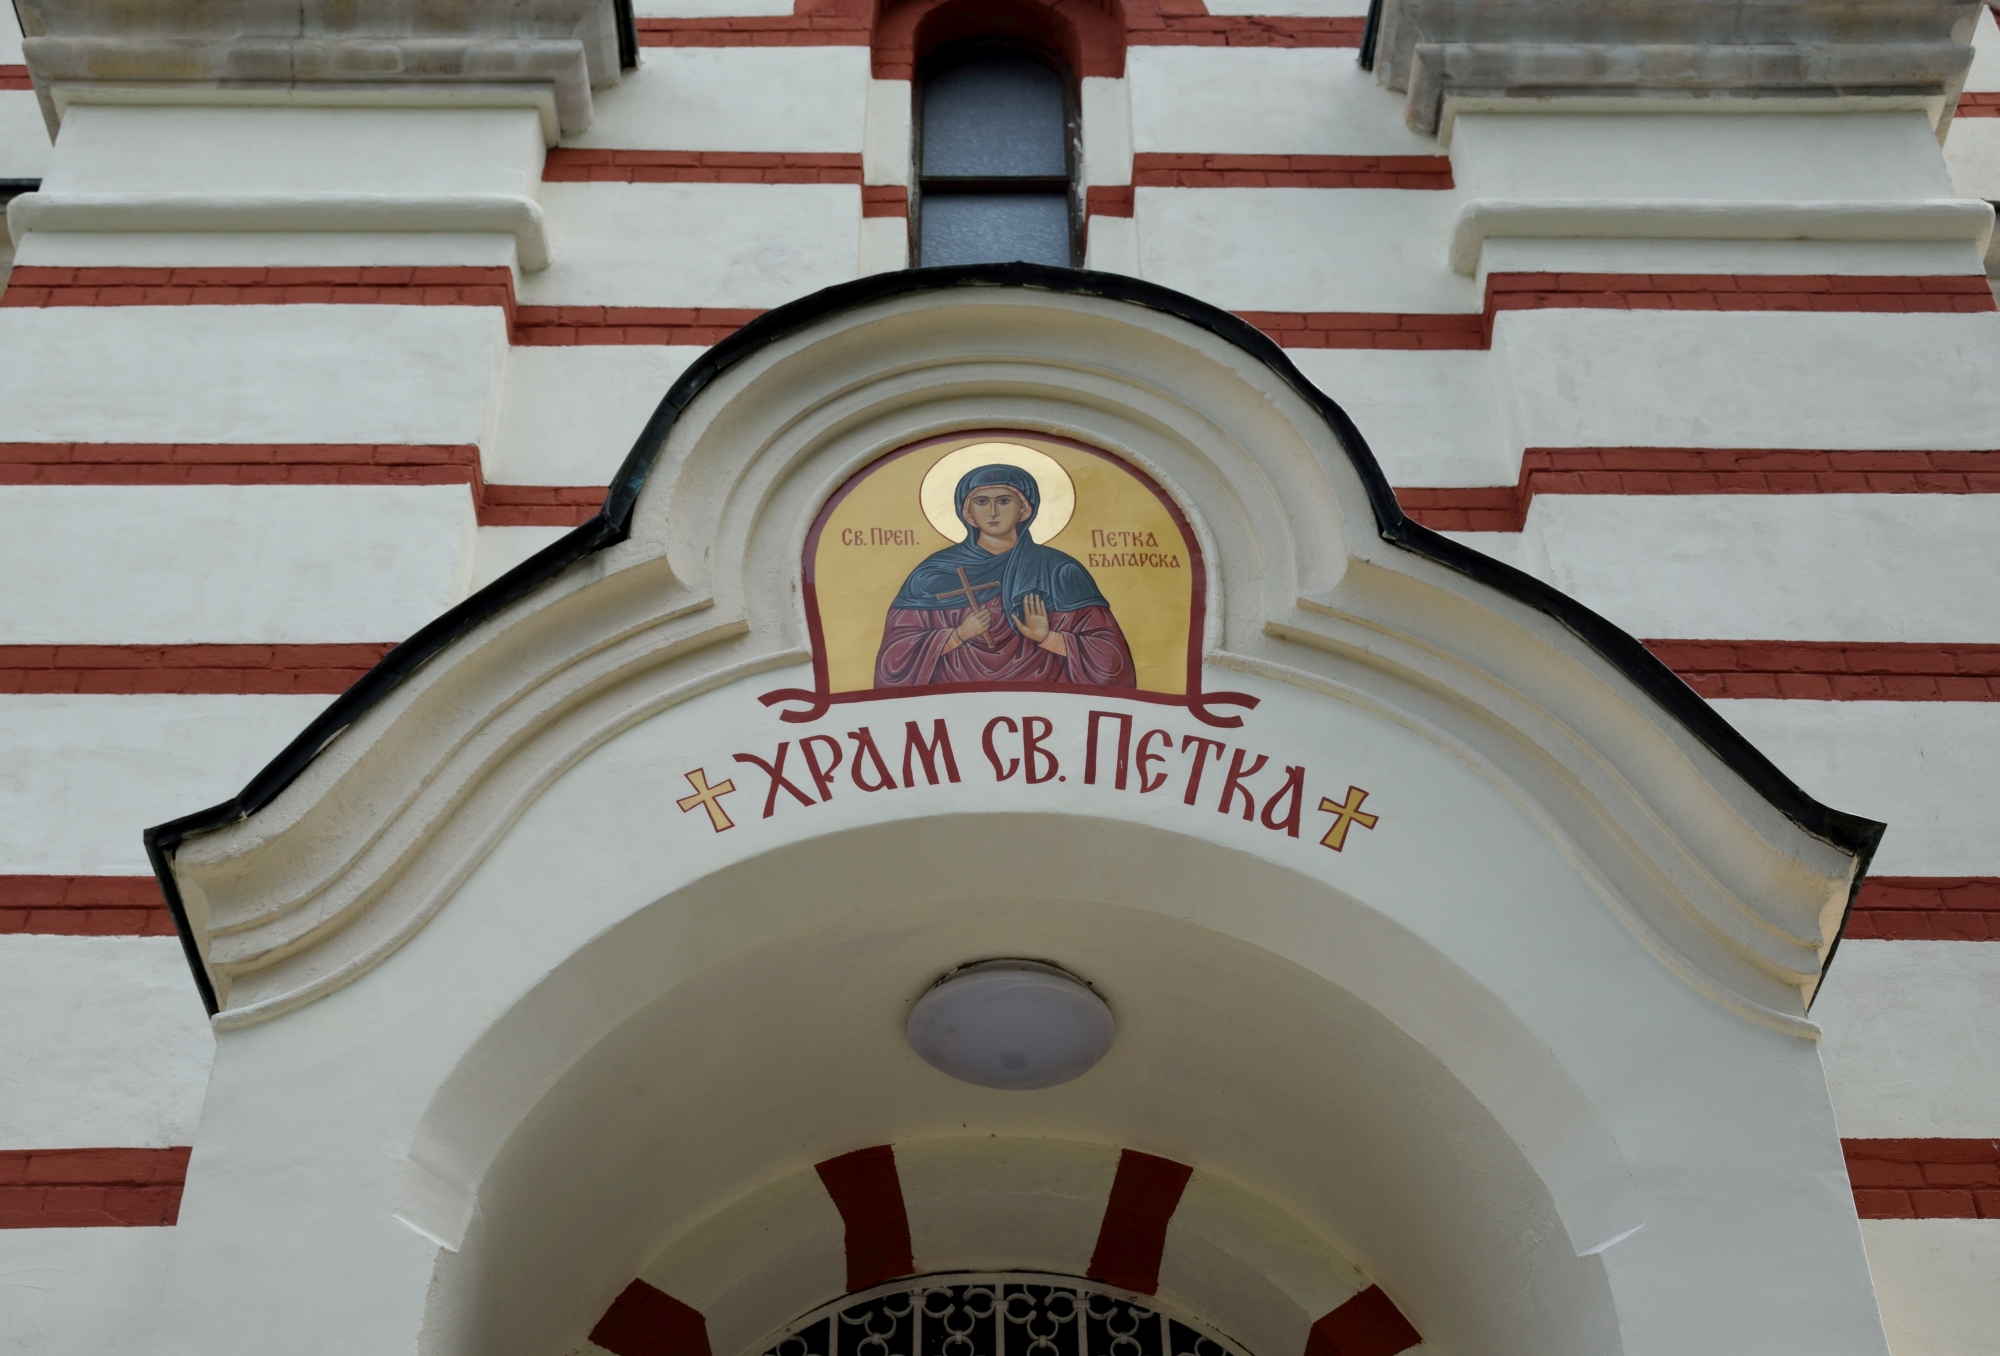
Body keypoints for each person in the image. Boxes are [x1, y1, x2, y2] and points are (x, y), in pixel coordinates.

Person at [874, 463, 1136, 688]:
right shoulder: (931, 575)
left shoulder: (1060, 570)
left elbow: (1111, 659)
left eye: (1003, 500)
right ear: (967, 512)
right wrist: (957, 635)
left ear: (1024, 509)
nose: (993, 512)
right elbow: (894, 660)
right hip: (952, 708)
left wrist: (1050, 639)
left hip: (1047, 705)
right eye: (981, 502)